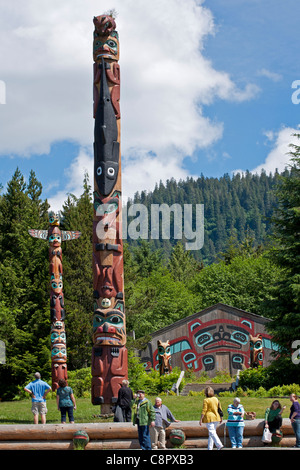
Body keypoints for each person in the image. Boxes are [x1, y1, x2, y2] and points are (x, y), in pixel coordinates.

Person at [199, 386, 223, 450]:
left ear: (205, 393)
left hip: (209, 417)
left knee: (212, 432)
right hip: (216, 417)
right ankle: (210, 448)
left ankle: (219, 444)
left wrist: (201, 418)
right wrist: (221, 416)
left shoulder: (206, 400)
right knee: (211, 433)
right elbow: (219, 408)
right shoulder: (216, 399)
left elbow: (204, 410)